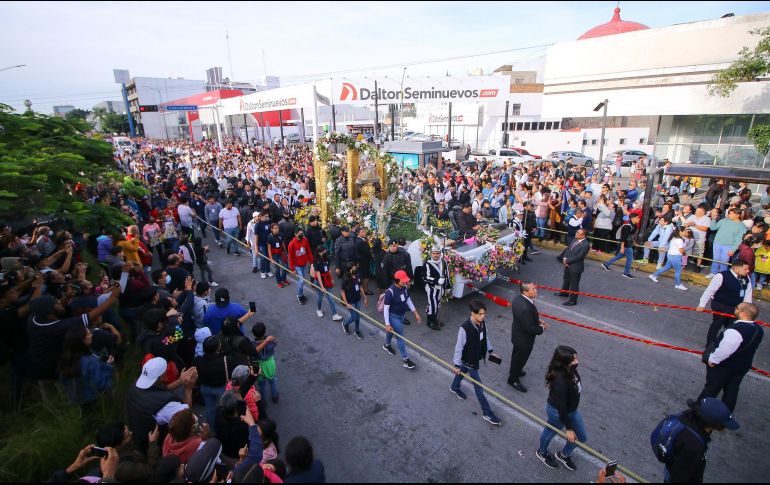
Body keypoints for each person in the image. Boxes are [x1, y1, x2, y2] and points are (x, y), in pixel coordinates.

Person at [696, 302, 763, 412]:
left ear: (743, 314)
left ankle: (699, 410)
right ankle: (726, 414)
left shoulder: (735, 330)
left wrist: (712, 359)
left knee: (711, 389)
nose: (735, 309)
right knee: (731, 391)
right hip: (743, 366)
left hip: (725, 366)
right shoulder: (758, 329)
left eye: (737, 308)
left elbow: (725, 350)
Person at [126, 357, 198, 454]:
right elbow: (186, 415)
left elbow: (158, 391)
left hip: (137, 434)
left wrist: (180, 381)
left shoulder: (135, 386)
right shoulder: (166, 406)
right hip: (154, 445)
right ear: (163, 377)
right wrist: (188, 388)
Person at [449, 299, 502, 426]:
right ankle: (487, 413)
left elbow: (485, 337)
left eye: (484, 314)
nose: (483, 317)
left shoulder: (482, 324)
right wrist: (456, 365)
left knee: (462, 370)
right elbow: (458, 347)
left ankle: (454, 387)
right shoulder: (464, 328)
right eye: (480, 314)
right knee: (479, 388)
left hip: (474, 358)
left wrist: (491, 351)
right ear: (472, 313)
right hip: (469, 360)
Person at [662, 398, 739, 483]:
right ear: (713, 424)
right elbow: (679, 477)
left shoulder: (690, 418)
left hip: (673, 465)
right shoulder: (695, 447)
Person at [536, 345, 587, 472]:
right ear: (564, 362)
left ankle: (563, 455)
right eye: (573, 359)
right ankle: (542, 452)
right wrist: (569, 429)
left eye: (576, 358)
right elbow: (561, 407)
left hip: (571, 410)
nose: (577, 361)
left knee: (582, 437)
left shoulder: (571, 368)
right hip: (557, 412)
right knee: (550, 432)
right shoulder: (560, 381)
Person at [696, 259, 752, 347]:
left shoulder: (746, 278)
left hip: (736, 308)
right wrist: (701, 305)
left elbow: (748, 294)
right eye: (745, 269)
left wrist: (746, 309)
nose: (748, 271)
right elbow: (710, 290)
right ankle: (710, 346)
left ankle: (723, 346)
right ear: (736, 268)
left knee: (731, 328)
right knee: (717, 325)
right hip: (721, 305)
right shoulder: (721, 276)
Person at [58, 324, 114, 409]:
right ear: (82, 340)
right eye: (88, 334)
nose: (91, 334)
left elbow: (63, 381)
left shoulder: (66, 359)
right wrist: (108, 366)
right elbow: (102, 385)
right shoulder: (91, 361)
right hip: (95, 401)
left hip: (77, 401)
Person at [507, 281, 549, 393]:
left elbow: (524, 319)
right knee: (520, 358)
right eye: (533, 289)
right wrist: (542, 328)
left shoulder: (518, 299)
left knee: (516, 356)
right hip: (524, 340)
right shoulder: (525, 308)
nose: (536, 290)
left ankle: (516, 370)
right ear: (525, 292)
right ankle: (512, 379)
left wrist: (536, 320)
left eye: (535, 288)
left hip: (517, 334)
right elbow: (530, 328)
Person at [192, 335, 234, 432]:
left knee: (210, 409)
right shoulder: (225, 359)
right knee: (225, 410)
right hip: (221, 389)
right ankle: (225, 429)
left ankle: (214, 430)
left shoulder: (197, 361)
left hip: (205, 388)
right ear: (218, 347)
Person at [382, 270, 421, 369]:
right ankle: (406, 360)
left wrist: (415, 313)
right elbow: (386, 309)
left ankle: (386, 345)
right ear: (397, 280)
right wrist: (387, 324)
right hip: (393, 317)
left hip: (401, 315)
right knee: (400, 337)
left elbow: (408, 300)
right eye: (403, 281)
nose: (406, 282)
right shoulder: (390, 292)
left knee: (391, 332)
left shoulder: (404, 288)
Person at [554, 229, 590, 306]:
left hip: (576, 267)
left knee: (574, 284)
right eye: (577, 232)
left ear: (583, 236)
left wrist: (567, 261)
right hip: (568, 263)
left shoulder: (586, 245)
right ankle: (564, 293)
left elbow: (579, 257)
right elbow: (568, 249)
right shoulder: (575, 239)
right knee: (566, 279)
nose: (576, 233)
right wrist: (564, 258)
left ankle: (573, 300)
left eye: (578, 233)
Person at [707, 208, 747, 278]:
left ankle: (723, 275)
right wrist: (713, 219)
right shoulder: (724, 220)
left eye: (731, 213)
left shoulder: (741, 226)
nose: (729, 214)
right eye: (729, 213)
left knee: (724, 261)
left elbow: (739, 239)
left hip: (729, 246)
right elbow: (713, 228)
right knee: (715, 259)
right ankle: (713, 272)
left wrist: (733, 249)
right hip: (717, 243)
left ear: (737, 215)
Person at [602, 214, 639, 279]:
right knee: (630, 259)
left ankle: (606, 264)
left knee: (619, 256)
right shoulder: (627, 227)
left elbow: (631, 236)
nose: (638, 219)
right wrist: (622, 247)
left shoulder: (634, 225)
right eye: (637, 218)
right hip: (626, 245)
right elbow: (623, 238)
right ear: (632, 218)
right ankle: (626, 273)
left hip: (628, 244)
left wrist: (634, 242)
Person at [422, 246, 450, 331]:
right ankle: (430, 321)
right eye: (434, 253)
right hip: (432, 288)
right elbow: (425, 277)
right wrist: (437, 280)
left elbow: (447, 274)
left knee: (437, 305)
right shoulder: (427, 264)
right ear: (431, 254)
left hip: (441, 288)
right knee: (432, 305)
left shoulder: (443, 261)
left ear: (440, 254)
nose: (435, 255)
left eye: (437, 253)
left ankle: (434, 319)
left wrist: (448, 285)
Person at [311, 246, 342, 321]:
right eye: (324, 251)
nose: (325, 251)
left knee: (330, 298)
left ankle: (334, 314)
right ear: (319, 252)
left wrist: (331, 279)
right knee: (320, 297)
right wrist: (322, 286)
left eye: (325, 250)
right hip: (320, 281)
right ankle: (318, 309)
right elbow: (318, 274)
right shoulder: (316, 261)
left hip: (327, 279)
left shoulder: (327, 259)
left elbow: (328, 270)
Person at [340, 262, 366, 339]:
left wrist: (365, 297)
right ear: (349, 270)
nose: (355, 270)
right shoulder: (345, 279)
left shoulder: (357, 276)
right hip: (350, 301)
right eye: (353, 269)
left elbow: (360, 286)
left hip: (357, 299)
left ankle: (357, 330)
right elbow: (342, 291)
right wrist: (346, 303)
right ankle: (345, 324)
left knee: (357, 316)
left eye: (355, 268)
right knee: (354, 317)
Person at [288, 228, 314, 304]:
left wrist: (311, 262)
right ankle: (299, 295)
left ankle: (301, 294)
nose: (301, 234)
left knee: (302, 280)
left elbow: (308, 251)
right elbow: (290, 257)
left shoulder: (305, 240)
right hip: (297, 266)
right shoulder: (291, 244)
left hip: (304, 264)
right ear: (295, 234)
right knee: (301, 281)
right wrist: (292, 268)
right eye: (299, 233)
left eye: (302, 233)